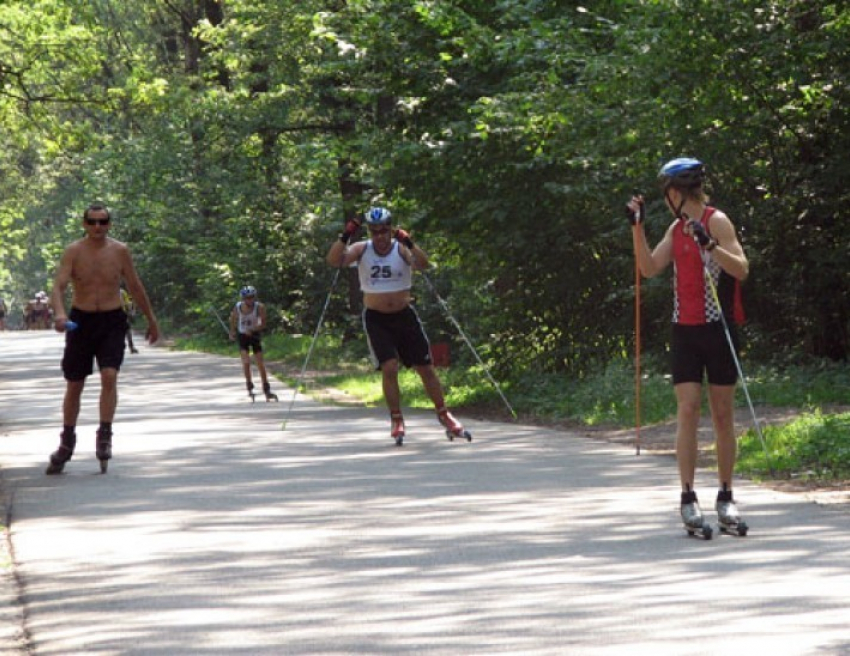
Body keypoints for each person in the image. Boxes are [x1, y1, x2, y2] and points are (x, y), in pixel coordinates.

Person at [629, 158, 750, 535]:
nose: (667, 200)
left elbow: (742, 268)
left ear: (677, 193)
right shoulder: (675, 227)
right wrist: (637, 227)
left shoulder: (717, 220)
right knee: (687, 409)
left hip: (718, 328)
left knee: (722, 414)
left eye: (667, 194)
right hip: (684, 329)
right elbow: (649, 268)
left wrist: (710, 245)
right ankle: (687, 496)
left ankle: (726, 495)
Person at [325, 207, 469, 446]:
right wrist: (345, 236)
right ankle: (396, 419)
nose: (380, 236)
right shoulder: (362, 249)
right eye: (374, 231)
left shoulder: (400, 248)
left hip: (404, 316)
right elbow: (333, 261)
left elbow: (423, 264)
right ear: (369, 231)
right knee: (390, 367)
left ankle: (444, 414)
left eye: (384, 231)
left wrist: (410, 243)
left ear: (391, 229)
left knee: (426, 368)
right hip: (377, 318)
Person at [46, 202, 160, 475]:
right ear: (84, 224)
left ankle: (105, 433)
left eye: (103, 221)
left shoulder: (120, 251)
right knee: (75, 384)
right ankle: (67, 440)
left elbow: (134, 285)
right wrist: (60, 315)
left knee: (109, 375)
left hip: (111, 320)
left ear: (109, 224)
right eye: (92, 221)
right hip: (81, 321)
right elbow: (59, 286)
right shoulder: (74, 251)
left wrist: (151, 320)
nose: (98, 227)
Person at [229, 285, 277, 402]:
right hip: (242, 336)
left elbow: (263, 324)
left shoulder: (259, 307)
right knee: (246, 362)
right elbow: (233, 319)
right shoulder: (238, 307)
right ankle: (249, 386)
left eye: (251, 297)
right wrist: (232, 331)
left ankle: (266, 388)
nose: (249, 300)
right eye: (247, 298)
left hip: (254, 335)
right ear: (243, 298)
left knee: (260, 362)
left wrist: (254, 329)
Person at [120, 286, 139, 353]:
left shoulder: (106, 291)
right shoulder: (122, 292)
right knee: (127, 330)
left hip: (110, 315)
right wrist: (131, 312)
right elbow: (128, 304)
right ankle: (131, 347)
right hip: (122, 313)